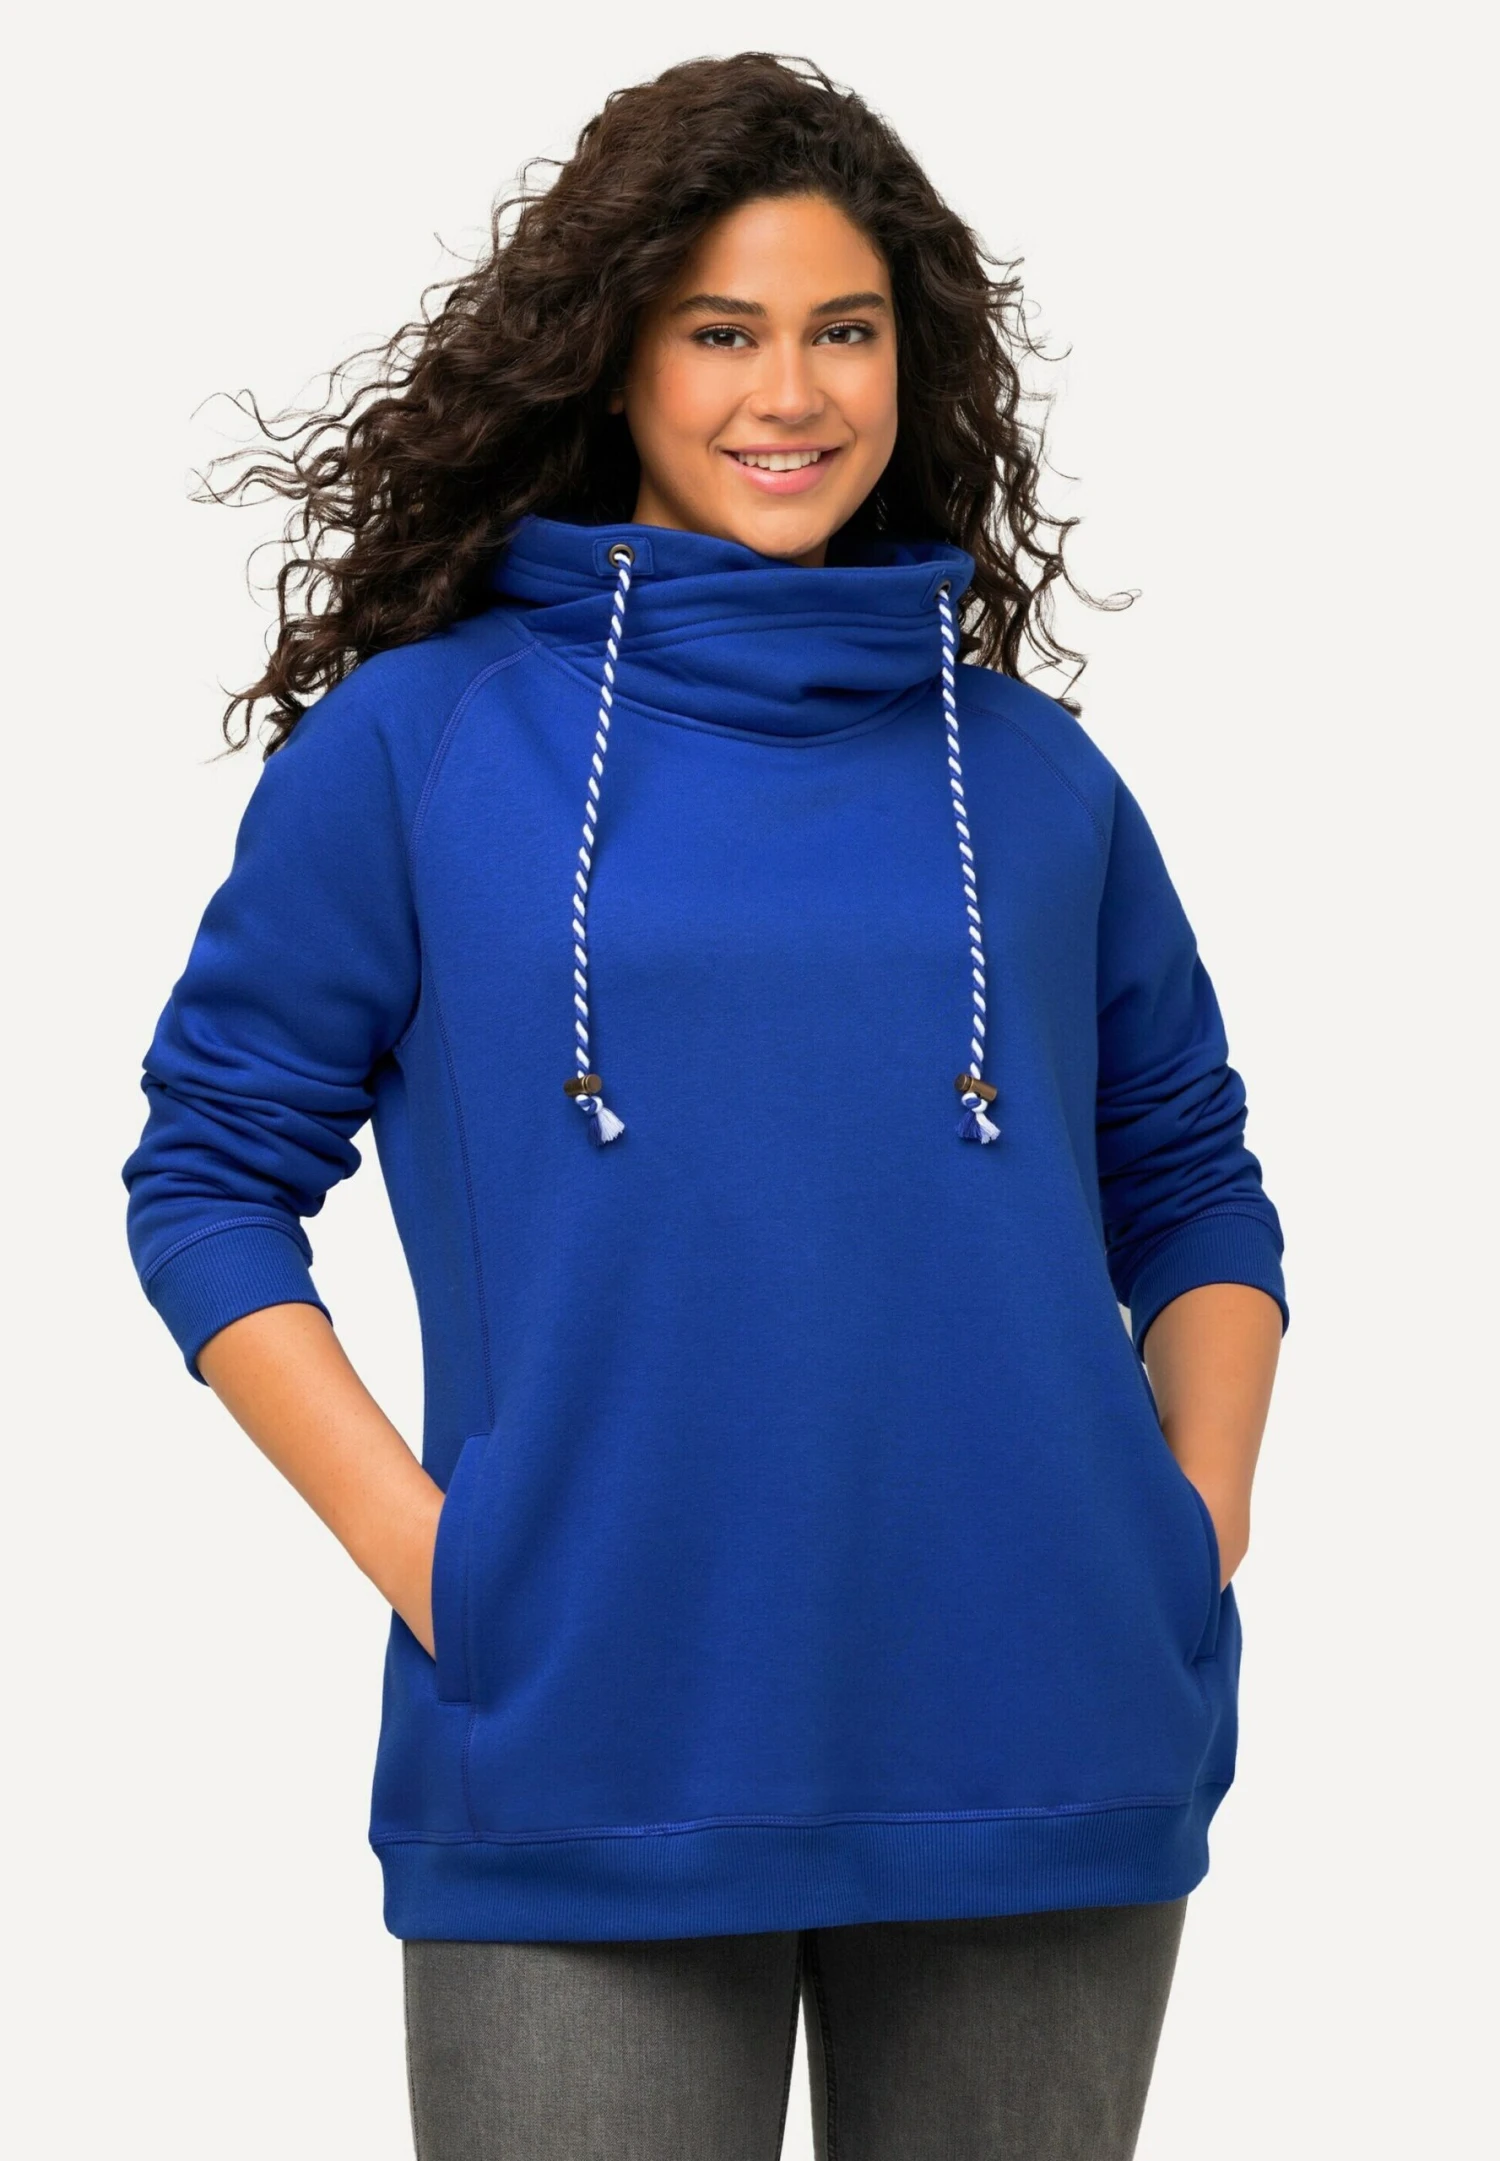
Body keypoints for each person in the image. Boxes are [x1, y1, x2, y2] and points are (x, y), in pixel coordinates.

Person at [121, 50, 1288, 2161]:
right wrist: (446, 1564)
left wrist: (1188, 1527)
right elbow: (208, 1173)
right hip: (588, 1741)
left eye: (847, 330)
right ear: (618, 357)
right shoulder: (424, 745)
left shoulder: (1035, 778)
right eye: (723, 332)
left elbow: (1190, 1178)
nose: (794, 393)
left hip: (1048, 1728)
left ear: (912, 363)